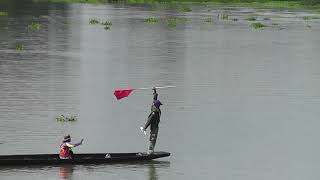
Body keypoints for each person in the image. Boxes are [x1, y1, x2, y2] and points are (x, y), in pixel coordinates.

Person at [140, 87, 162, 154]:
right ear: (157, 105)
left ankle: (151, 150)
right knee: (153, 138)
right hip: (154, 127)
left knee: (153, 138)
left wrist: (155, 91)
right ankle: (150, 152)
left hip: (155, 126)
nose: (160, 106)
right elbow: (150, 120)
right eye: (159, 105)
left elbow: (155, 99)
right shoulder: (155, 112)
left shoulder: (153, 106)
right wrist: (145, 128)